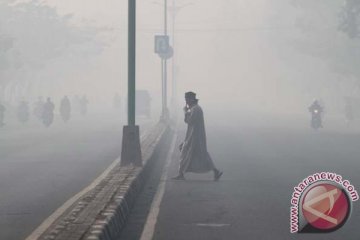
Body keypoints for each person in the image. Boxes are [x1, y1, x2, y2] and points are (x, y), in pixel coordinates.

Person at [173, 91, 223, 181]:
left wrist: (185, 112)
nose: (186, 101)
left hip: (195, 137)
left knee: (187, 153)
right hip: (193, 136)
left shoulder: (196, 109)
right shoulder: (195, 109)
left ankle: (181, 174)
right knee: (200, 155)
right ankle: (215, 171)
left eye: (187, 99)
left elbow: (190, 121)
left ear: (191, 100)